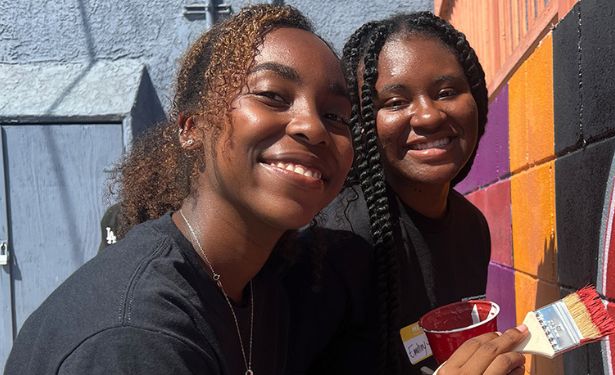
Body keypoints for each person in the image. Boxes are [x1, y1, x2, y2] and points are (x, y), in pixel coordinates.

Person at [5, 5, 354, 374]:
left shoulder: (258, 286)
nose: (313, 127)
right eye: (272, 96)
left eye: (335, 115)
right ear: (191, 128)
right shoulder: (135, 337)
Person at [285, 12, 499, 375]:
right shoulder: (334, 244)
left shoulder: (472, 228)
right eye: (396, 102)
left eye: (446, 92)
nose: (428, 116)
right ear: (364, 124)